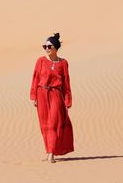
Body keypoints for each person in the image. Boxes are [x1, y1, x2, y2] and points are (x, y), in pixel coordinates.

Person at [30, 33, 74, 163]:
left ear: (55, 47)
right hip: (41, 94)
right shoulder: (40, 61)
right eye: (45, 46)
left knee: (54, 122)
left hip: (55, 94)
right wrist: (33, 96)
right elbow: (35, 78)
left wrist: (68, 100)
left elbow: (66, 83)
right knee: (45, 125)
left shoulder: (63, 63)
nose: (46, 48)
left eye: (49, 46)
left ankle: (51, 154)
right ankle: (49, 151)